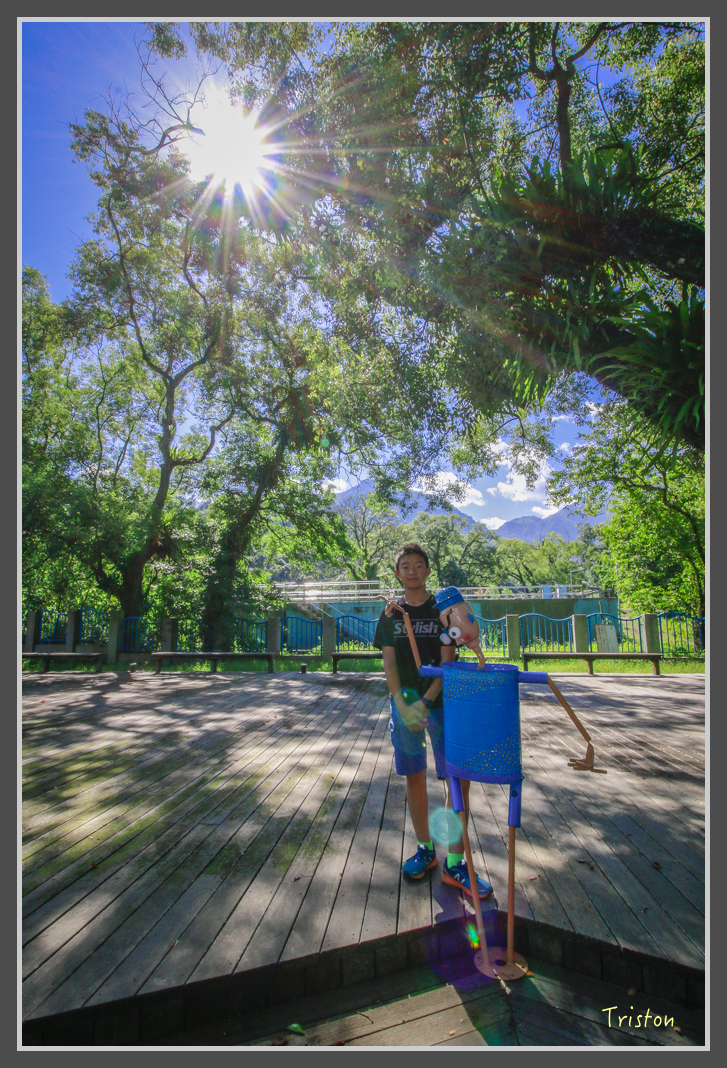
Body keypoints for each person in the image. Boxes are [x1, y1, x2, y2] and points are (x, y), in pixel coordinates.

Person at [373, 542, 492, 900]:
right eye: (405, 566)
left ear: (428, 571)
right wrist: (402, 704)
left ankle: (456, 861)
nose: (411, 571)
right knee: (414, 777)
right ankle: (425, 849)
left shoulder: (443, 611)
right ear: (397, 573)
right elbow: (389, 663)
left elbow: (447, 661)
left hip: (442, 704)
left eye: (418, 565)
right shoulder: (391, 614)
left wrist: (426, 702)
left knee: (457, 780)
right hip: (405, 705)